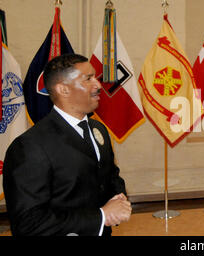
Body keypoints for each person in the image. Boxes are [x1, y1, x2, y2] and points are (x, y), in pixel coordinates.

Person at [2, 53, 131, 236]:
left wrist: (119, 198)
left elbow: (109, 175)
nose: (98, 84)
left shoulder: (98, 130)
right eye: (88, 79)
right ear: (63, 89)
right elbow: (28, 223)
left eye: (95, 76)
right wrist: (102, 216)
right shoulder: (30, 146)